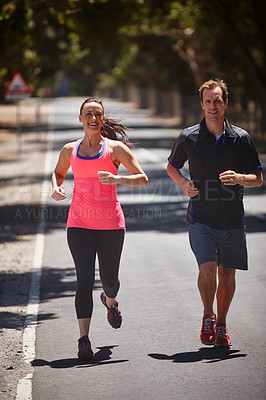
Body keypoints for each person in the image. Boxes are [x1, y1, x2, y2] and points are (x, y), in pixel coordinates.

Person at [167, 79, 263, 347]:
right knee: (208, 269)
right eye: (208, 101)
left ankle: (221, 324)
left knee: (228, 274)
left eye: (217, 100)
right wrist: (184, 183)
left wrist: (240, 177)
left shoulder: (241, 138)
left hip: (232, 218)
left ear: (226, 103)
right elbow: (172, 167)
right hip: (201, 217)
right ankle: (207, 316)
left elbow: (257, 178)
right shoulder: (188, 137)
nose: (213, 105)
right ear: (201, 104)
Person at [51, 97, 148, 360]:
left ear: (103, 120)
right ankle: (84, 339)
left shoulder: (115, 149)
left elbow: (143, 178)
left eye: (98, 114)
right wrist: (56, 186)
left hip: (111, 226)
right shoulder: (70, 150)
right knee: (83, 280)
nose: (93, 118)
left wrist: (117, 178)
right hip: (79, 224)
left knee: (109, 281)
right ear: (80, 119)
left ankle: (111, 301)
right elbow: (59, 173)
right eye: (88, 114)